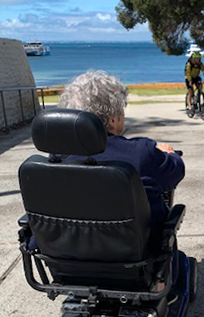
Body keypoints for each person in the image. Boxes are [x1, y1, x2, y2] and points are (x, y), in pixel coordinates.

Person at [58, 70, 185, 242]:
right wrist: (169, 154)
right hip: (136, 260)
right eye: (121, 110)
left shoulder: (56, 159)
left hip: (68, 259)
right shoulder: (140, 154)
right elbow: (176, 172)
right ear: (111, 119)